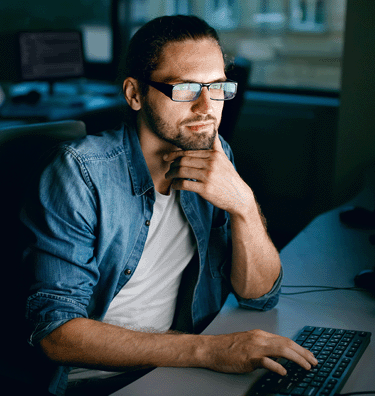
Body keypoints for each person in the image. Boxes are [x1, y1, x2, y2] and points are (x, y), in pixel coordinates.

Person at [20, 15, 318, 395]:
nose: (206, 107)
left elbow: (259, 295)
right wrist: (212, 350)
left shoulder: (214, 153)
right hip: (101, 382)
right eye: (186, 89)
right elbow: (56, 334)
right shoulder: (79, 174)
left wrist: (243, 203)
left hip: (183, 364)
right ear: (135, 94)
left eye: (218, 87)